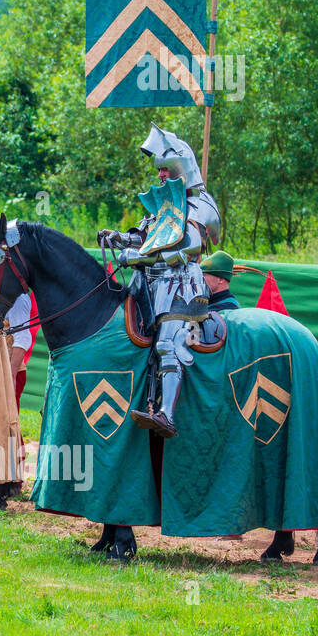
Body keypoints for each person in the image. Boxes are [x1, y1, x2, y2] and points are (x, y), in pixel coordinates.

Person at [97, 124, 222, 439]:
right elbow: (145, 238)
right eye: (159, 170)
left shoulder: (199, 206)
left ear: (182, 166)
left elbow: (185, 247)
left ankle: (166, 414)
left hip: (181, 286)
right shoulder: (165, 205)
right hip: (149, 286)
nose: (161, 175)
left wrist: (136, 257)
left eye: (166, 169)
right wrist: (119, 238)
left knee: (167, 344)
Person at [5, 292, 34, 404]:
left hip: (9, 372)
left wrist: (11, 376)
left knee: (6, 420)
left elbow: (22, 339)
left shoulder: (18, 299)